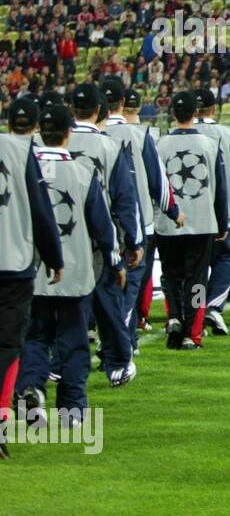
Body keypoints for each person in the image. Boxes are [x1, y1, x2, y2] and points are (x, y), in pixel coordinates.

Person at [16, 104, 126, 440]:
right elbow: (102, 225)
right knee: (74, 342)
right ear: (68, 134)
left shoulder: (23, 171)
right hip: (76, 273)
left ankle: (31, 390)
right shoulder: (82, 172)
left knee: (35, 337)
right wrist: (115, 261)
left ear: (39, 132)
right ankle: (72, 411)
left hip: (32, 273)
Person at [67, 84, 142, 384]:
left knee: (65, 307)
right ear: (100, 112)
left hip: (63, 236)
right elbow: (125, 199)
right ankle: (118, 363)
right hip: (100, 239)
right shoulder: (110, 146)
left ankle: (59, 365)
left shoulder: (56, 143)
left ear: (73, 108)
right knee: (108, 304)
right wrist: (133, 242)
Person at [0, 102, 64, 458]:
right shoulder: (21, 150)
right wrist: (54, 258)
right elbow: (41, 212)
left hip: (15, 263)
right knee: (8, 346)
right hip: (13, 263)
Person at [102, 82, 181, 351]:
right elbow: (158, 178)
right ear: (122, 103)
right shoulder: (139, 134)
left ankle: (117, 337)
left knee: (107, 284)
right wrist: (173, 210)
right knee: (131, 287)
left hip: (101, 223)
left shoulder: (91, 136)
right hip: (139, 221)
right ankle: (118, 341)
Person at [155, 93, 230, 350]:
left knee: (171, 275)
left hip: (168, 222)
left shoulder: (159, 144)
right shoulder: (210, 144)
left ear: (173, 115)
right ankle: (192, 332)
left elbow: (155, 186)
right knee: (197, 279)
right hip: (201, 221)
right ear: (195, 114)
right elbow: (220, 189)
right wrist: (222, 224)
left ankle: (175, 317)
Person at [194, 89, 230, 336]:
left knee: (195, 264)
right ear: (214, 109)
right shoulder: (227, 134)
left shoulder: (179, 134)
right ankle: (214, 306)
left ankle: (195, 310)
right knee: (225, 258)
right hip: (225, 209)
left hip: (192, 212)